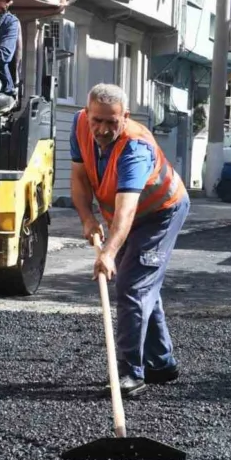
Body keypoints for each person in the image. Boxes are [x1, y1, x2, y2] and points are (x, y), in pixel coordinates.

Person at [70, 83, 190, 397]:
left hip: (159, 212)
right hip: (127, 216)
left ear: (125, 117)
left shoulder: (134, 149)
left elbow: (126, 211)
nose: (102, 128)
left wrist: (109, 252)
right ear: (87, 112)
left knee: (132, 286)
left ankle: (129, 373)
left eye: (112, 122)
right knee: (143, 285)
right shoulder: (80, 124)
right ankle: (161, 363)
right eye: (97, 119)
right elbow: (79, 177)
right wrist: (87, 218)